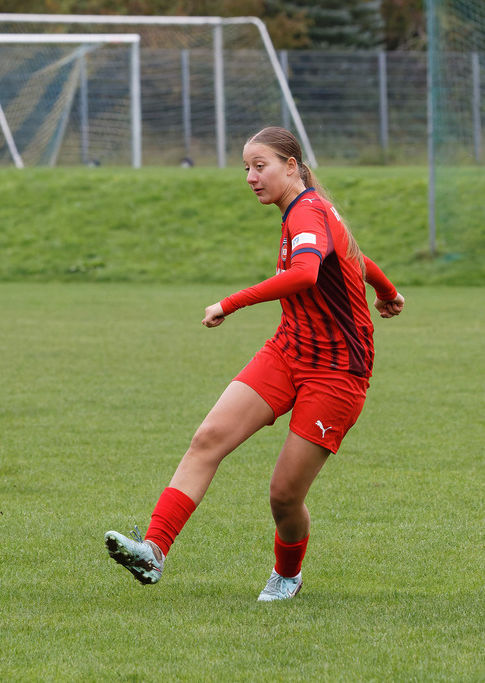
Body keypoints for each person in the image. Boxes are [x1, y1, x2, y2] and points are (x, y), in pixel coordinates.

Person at [105, 126, 405, 601]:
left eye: (259, 166)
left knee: (284, 496)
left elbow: (305, 274)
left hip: (337, 372)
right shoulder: (309, 211)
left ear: (292, 166)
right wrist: (386, 291)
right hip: (288, 350)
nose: (250, 177)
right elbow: (354, 255)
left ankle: (287, 574)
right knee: (208, 439)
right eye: (246, 167)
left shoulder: (307, 211)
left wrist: (231, 302)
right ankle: (153, 550)